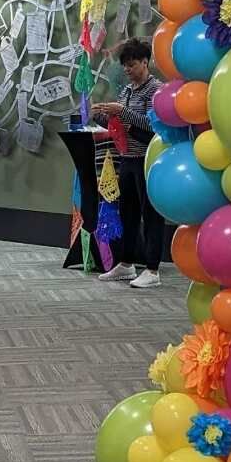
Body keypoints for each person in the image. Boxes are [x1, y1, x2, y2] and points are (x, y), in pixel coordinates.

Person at [91, 38, 165, 289]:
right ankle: (126, 262)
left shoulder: (156, 90)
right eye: (125, 66)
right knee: (128, 214)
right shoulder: (126, 91)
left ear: (145, 63)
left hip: (148, 160)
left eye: (132, 65)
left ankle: (153, 269)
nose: (127, 70)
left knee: (150, 214)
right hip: (128, 159)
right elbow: (119, 128)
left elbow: (154, 125)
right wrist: (101, 116)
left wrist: (121, 112)